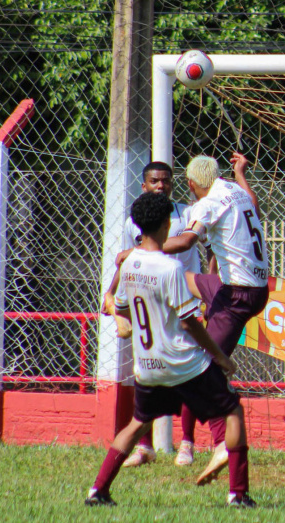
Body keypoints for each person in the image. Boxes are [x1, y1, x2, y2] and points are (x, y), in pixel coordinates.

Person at [85, 192, 254, 508]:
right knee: (233, 412)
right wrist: (219, 356)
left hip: (147, 365)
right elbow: (189, 322)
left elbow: (118, 307)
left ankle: (97, 490)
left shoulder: (130, 262)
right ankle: (239, 495)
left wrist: (116, 310)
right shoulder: (170, 268)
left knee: (136, 425)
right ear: (167, 224)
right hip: (182, 363)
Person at [157, 154, 270, 486]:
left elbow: (186, 241)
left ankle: (220, 442)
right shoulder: (234, 190)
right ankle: (194, 445)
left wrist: (148, 249)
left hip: (238, 294)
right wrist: (241, 173)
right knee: (184, 279)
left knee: (200, 368)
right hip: (248, 286)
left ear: (192, 185)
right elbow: (255, 206)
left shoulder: (206, 204)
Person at [101, 161, 203, 468]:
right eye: (155, 181)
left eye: (166, 181)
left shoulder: (187, 214)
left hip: (186, 302)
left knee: (190, 373)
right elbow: (130, 261)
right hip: (153, 305)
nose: (161, 185)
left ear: (174, 185)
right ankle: (145, 446)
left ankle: (187, 443)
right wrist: (112, 293)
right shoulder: (137, 219)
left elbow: (198, 250)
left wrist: (208, 294)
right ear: (144, 186)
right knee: (148, 372)